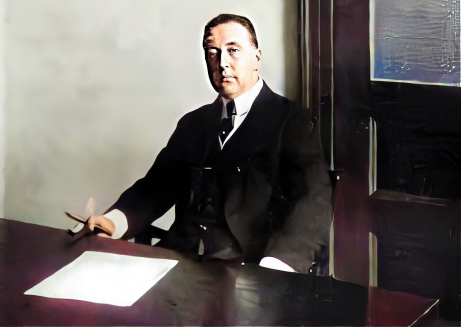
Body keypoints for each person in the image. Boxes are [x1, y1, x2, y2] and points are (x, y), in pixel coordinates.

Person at [88, 14, 333, 273]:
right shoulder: (194, 124)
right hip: (178, 259)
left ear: (257, 58)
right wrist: (114, 221)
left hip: (247, 269)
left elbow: (312, 203)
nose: (222, 63)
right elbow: (156, 187)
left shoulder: (292, 121)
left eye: (233, 50)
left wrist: (273, 269)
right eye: (213, 52)